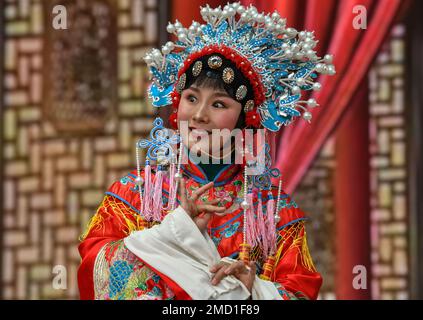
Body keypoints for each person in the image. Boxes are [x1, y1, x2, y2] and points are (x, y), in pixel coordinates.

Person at [77, 2, 335, 300]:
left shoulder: (274, 213)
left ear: (245, 120)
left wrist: (254, 291)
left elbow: (300, 291)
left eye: (218, 104)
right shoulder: (134, 194)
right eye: (191, 98)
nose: (199, 115)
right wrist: (170, 232)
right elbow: (93, 265)